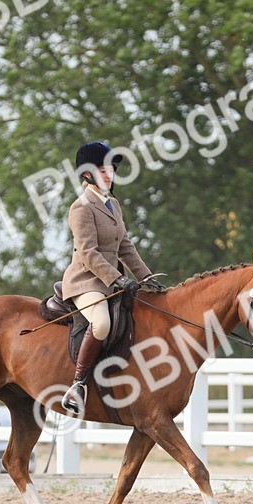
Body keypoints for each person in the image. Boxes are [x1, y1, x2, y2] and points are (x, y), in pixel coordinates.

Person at [60, 141, 166, 415]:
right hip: (86, 281)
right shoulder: (81, 207)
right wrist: (116, 279)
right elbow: (88, 252)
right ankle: (78, 384)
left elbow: (126, 247)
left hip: (112, 282)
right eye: (103, 169)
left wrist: (146, 277)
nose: (110, 174)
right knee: (102, 322)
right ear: (86, 174)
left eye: (112, 169)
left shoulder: (113, 204)